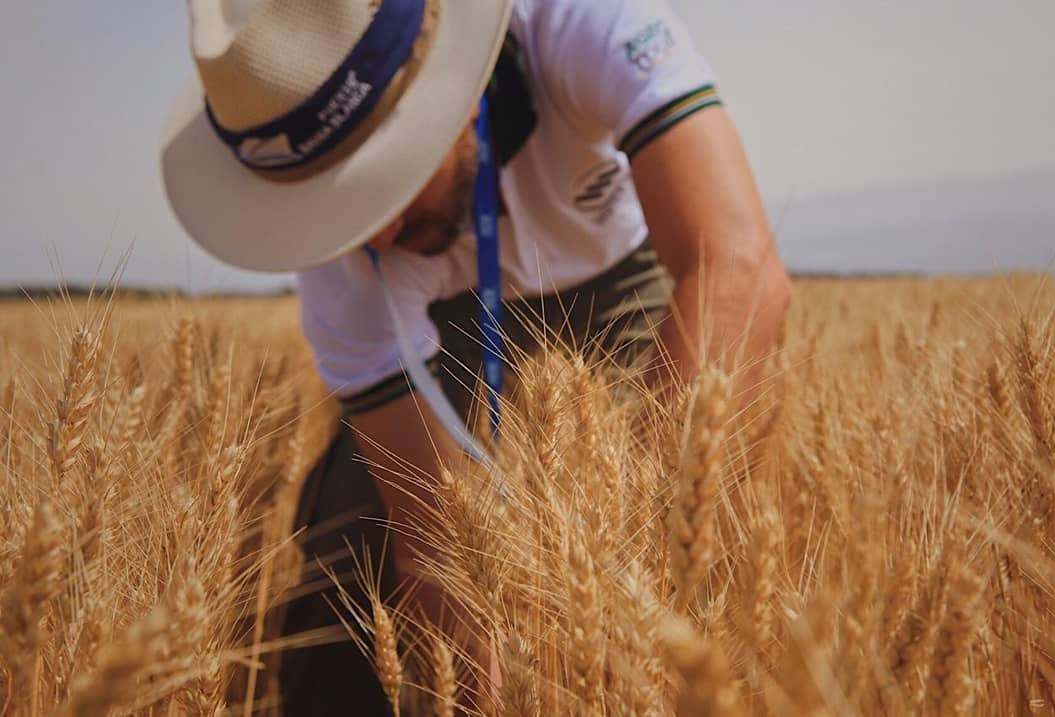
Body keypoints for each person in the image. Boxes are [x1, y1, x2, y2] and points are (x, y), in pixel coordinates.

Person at [161, 0, 792, 712]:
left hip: (621, 275)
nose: (381, 230)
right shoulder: (343, 270)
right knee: (347, 549)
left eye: (382, 179)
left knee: (688, 526)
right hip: (449, 316)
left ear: (447, 86)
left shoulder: (586, 20)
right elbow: (429, 537)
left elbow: (737, 268)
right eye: (336, 207)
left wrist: (631, 575)